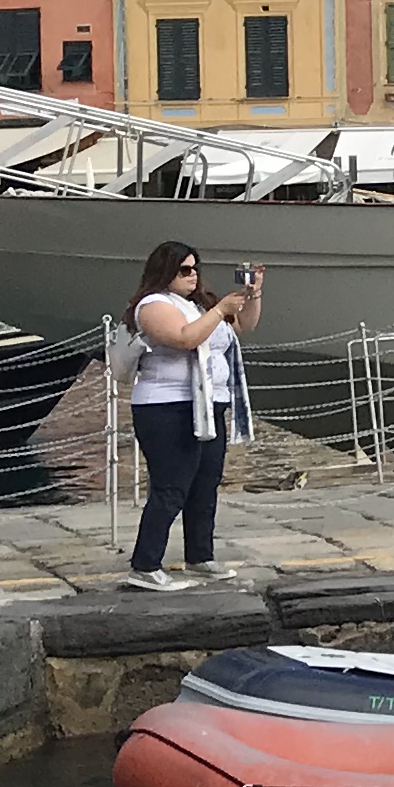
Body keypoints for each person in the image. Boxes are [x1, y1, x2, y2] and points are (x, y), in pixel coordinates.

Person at [123, 241, 260, 592]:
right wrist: (220, 310)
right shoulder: (153, 305)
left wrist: (252, 296)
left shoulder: (200, 305)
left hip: (209, 403)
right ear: (165, 272)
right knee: (171, 486)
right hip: (167, 405)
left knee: (205, 483)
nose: (193, 275)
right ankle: (145, 564)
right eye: (184, 270)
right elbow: (184, 338)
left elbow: (242, 326)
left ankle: (200, 555)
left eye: (195, 268)